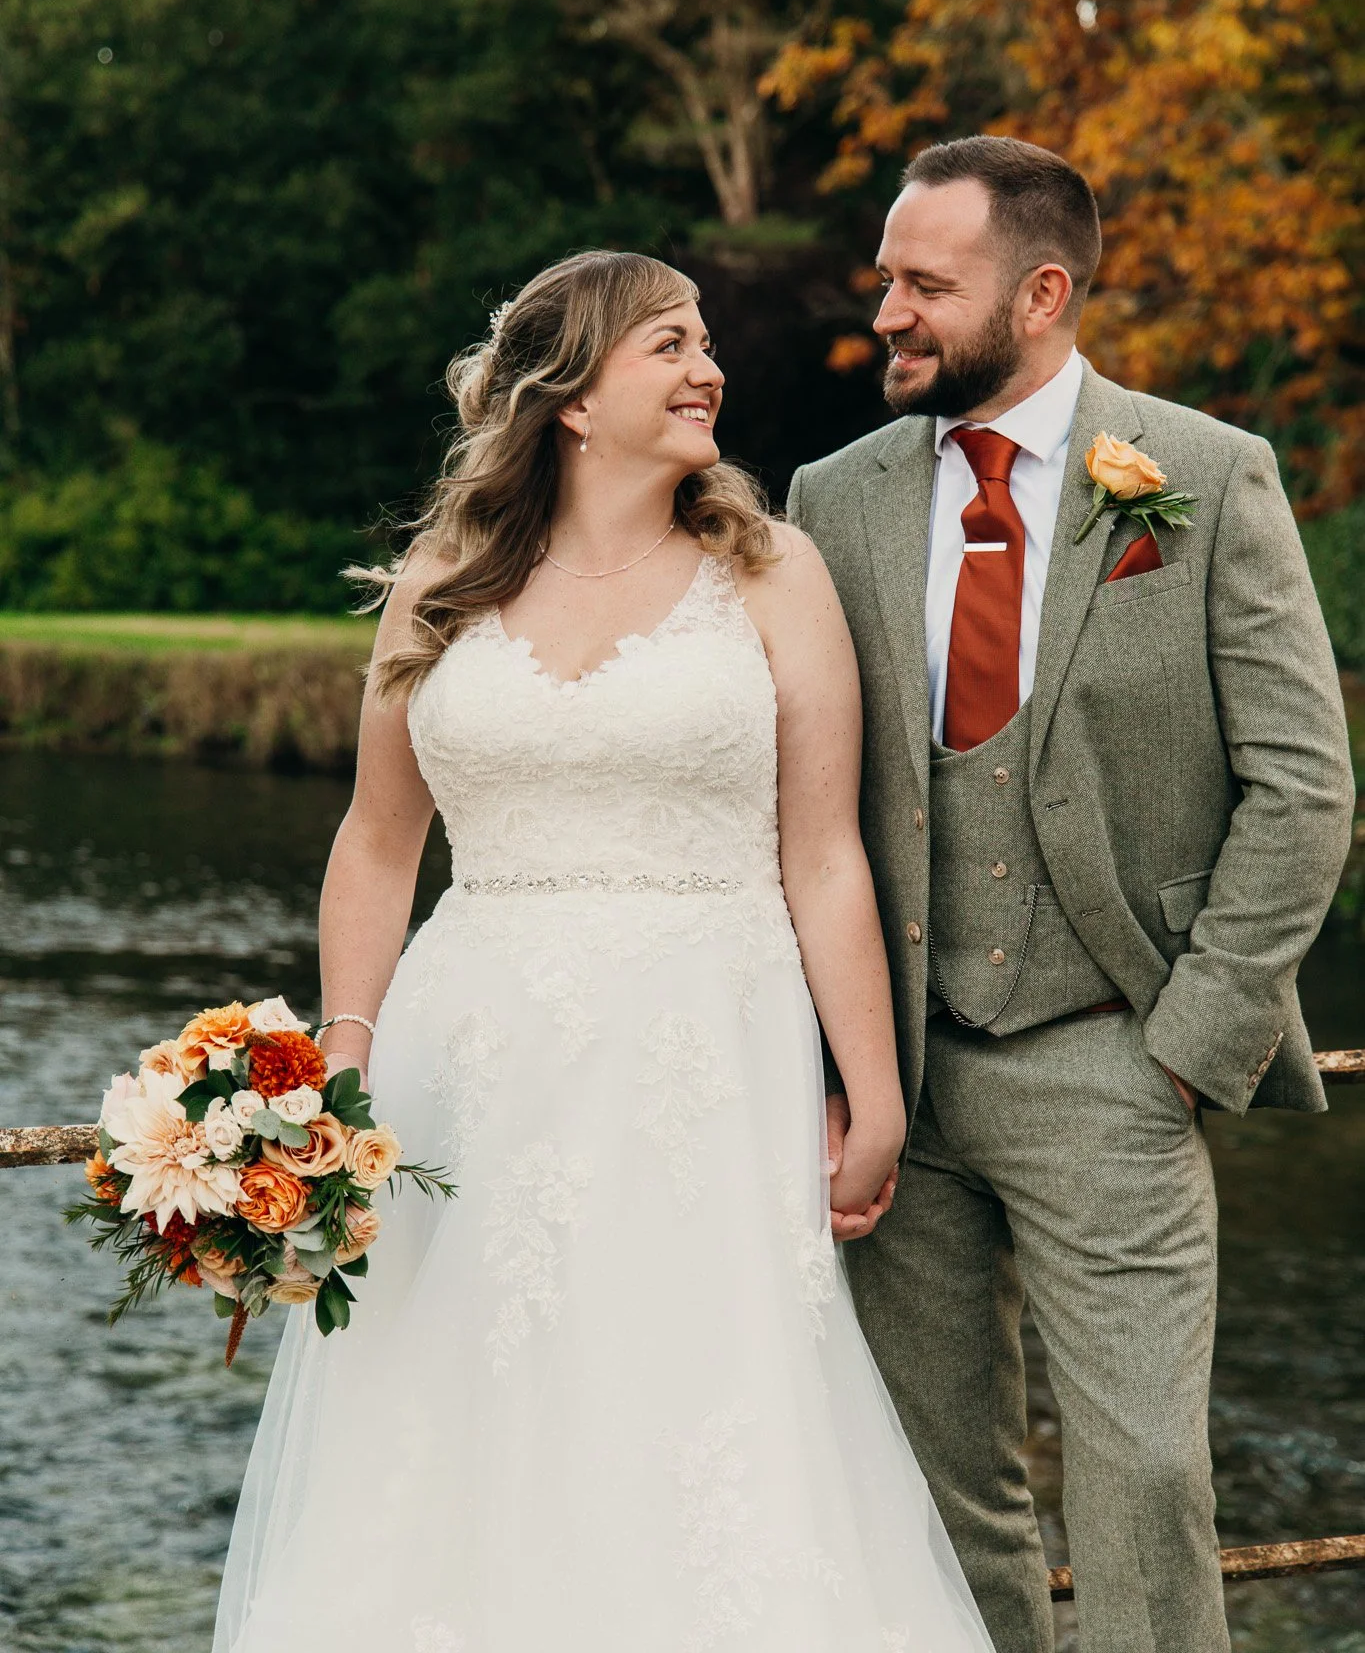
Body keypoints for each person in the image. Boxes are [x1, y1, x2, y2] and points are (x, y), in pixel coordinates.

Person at [213, 250, 994, 1653]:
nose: (709, 370)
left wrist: (874, 1095)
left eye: (705, 344)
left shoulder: (769, 571)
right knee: (460, 1418)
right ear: (568, 397)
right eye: (669, 346)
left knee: (697, 1415)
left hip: (701, 1063)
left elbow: (825, 856)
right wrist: (342, 1070)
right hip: (470, 1068)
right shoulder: (442, 582)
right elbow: (379, 848)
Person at [787, 136, 1356, 1653]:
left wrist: (1195, 1040)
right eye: (886, 278)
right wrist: (831, 1065)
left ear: (1040, 293)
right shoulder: (828, 500)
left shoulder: (1209, 477)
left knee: (1148, 1472)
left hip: (1118, 1051)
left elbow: (1305, 789)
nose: (888, 312)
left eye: (925, 283)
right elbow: (799, 800)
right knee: (938, 1487)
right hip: (894, 1074)